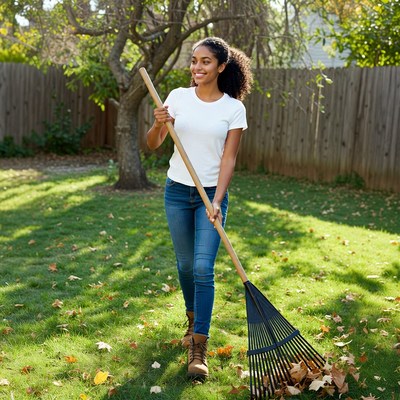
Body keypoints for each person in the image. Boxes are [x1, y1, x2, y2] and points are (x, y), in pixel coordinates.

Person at [146, 37, 253, 380]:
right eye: (194, 61)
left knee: (204, 267)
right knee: (186, 264)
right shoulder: (177, 98)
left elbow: (229, 158)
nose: (197, 67)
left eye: (205, 61)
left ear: (221, 67)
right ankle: (193, 317)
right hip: (177, 191)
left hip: (210, 194)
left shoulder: (233, 109)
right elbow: (152, 144)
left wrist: (218, 199)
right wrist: (159, 122)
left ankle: (199, 345)